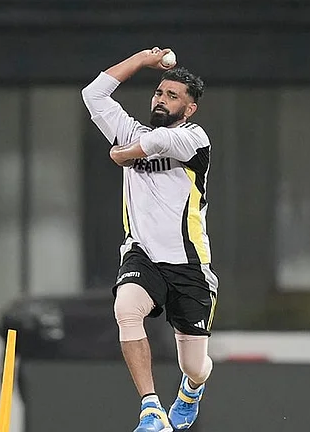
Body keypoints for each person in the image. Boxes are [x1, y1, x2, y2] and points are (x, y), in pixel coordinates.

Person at [81, 47, 219, 432]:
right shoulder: (133, 130)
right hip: (142, 255)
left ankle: (191, 390)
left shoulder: (194, 138)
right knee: (126, 309)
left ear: (189, 109)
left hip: (189, 263)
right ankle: (151, 408)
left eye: (172, 96)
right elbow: (93, 95)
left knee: (195, 364)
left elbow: (157, 145)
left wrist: (120, 153)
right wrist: (141, 60)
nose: (161, 99)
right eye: (159, 92)